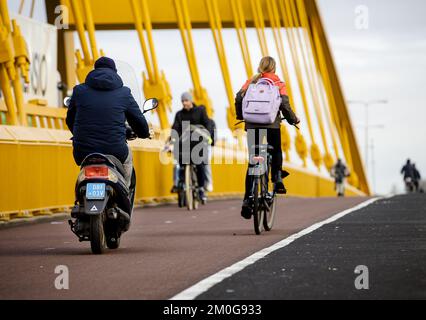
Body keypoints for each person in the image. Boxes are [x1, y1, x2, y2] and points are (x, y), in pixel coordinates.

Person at [66, 57, 150, 188]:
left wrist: (78, 135)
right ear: (114, 72)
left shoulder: (79, 91)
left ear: (94, 70)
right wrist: (144, 133)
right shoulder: (124, 92)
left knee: (84, 168)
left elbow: (70, 119)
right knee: (128, 159)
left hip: (83, 149)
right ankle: (125, 191)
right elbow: (137, 119)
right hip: (115, 149)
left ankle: (82, 192)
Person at [235, 56, 299, 219]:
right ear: (274, 68)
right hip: (271, 125)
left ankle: (247, 200)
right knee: (276, 150)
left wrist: (241, 115)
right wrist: (293, 119)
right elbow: (284, 104)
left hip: (252, 125)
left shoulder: (252, 81)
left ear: (260, 67)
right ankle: (277, 178)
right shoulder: (278, 83)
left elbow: (238, 97)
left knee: (253, 161)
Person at [169, 92, 213, 202]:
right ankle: (181, 184)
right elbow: (175, 127)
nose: (184, 103)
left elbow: (207, 123)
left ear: (191, 100)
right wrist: (173, 139)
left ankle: (201, 189)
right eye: (182, 101)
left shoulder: (200, 111)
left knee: (200, 165)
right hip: (184, 144)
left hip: (198, 142)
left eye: (186, 100)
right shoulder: (179, 114)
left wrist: (207, 134)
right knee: (180, 163)